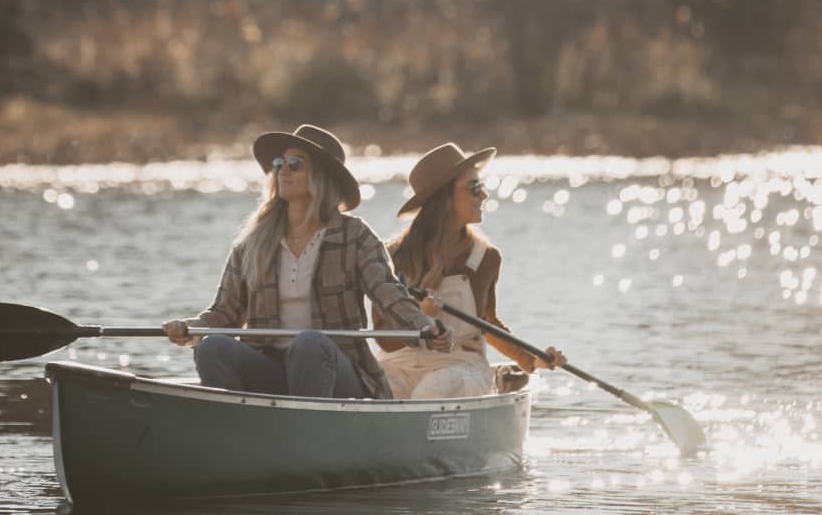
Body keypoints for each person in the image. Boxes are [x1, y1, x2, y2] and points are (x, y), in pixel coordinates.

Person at [163, 124, 449, 398]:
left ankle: (307, 433)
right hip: (272, 372)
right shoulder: (252, 243)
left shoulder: (355, 236)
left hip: (339, 371)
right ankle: (234, 429)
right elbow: (223, 314)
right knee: (213, 347)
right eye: (279, 163)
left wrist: (424, 326)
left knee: (310, 343)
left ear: (322, 176)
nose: (283, 171)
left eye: (295, 164)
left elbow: (390, 295)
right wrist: (190, 328)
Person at [374, 143, 567, 399]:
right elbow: (383, 338)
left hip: (460, 366)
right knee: (376, 391)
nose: (484, 195)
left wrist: (533, 359)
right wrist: (418, 319)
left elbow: (487, 323)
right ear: (444, 198)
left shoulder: (485, 258)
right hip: (399, 364)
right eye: (475, 188)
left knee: (434, 390)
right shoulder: (391, 256)